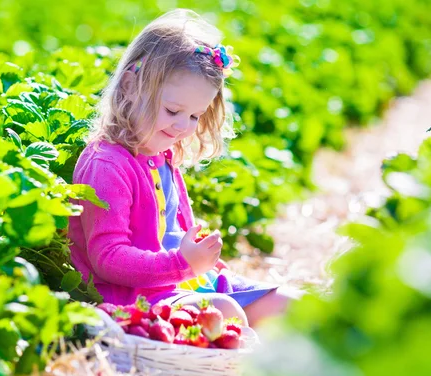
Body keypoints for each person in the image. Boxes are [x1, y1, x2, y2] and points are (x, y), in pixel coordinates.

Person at [69, 9, 298, 328]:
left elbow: (172, 236)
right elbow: (107, 259)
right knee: (223, 313)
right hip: (138, 300)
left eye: (195, 116)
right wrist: (183, 263)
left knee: (297, 306)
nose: (183, 126)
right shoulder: (108, 165)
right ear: (132, 85)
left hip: (185, 286)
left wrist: (201, 261)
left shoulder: (163, 157)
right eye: (174, 110)